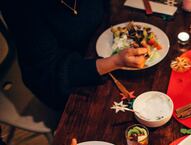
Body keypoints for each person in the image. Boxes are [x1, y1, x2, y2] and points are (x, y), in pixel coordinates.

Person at [0, 0, 147, 111]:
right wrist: (115, 61)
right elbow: (48, 72)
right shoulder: (20, 6)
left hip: (97, 50)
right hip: (62, 82)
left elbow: (103, 10)